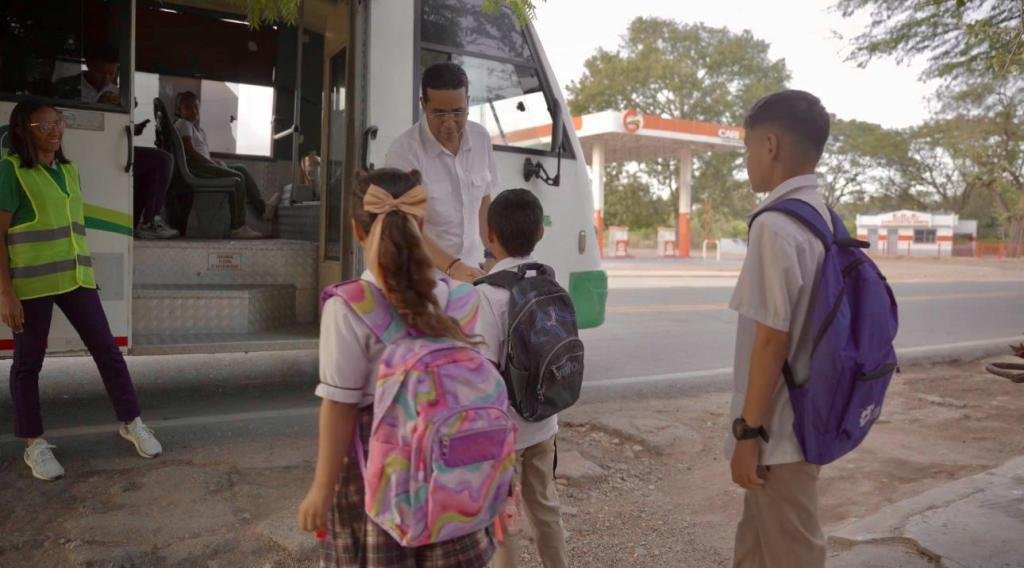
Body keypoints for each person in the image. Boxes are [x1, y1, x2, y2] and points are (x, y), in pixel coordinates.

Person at [297, 168, 495, 567]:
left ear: (357, 230)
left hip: (382, 481)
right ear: (422, 226)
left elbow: (339, 406)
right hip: (454, 477)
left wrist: (321, 488)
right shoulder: (463, 298)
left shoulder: (349, 305)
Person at [1, 100, 163, 482]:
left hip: (77, 280)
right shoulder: (11, 171)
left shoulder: (68, 170)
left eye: (59, 122)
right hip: (32, 285)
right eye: (46, 124)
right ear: (24, 130)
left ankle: (131, 422)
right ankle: (33, 443)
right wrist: (5, 294)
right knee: (28, 364)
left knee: (108, 351)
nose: (56, 130)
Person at [726, 90, 832, 567]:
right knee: (754, 548)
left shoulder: (774, 225)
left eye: (748, 148)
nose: (747, 160)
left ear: (769, 145)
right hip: (807, 411)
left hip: (778, 431)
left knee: (794, 554)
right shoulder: (821, 216)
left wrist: (748, 436)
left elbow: (771, 339)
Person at [476, 188, 569, 568]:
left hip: (504, 434)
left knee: (503, 519)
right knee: (545, 507)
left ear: (489, 235)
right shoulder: (550, 280)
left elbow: (484, 371)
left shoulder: (487, 295)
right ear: (540, 234)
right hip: (545, 423)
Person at [385, 62, 500, 282]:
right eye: (439, 113)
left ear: (467, 103)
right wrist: (452, 266)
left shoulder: (481, 138)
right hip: (423, 279)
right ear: (423, 105)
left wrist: (493, 253)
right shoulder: (403, 152)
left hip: (473, 272)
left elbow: (485, 201)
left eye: (458, 112)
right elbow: (403, 224)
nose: (450, 123)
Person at [174, 91, 281, 239]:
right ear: (179, 110)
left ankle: (263, 210)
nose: (193, 111)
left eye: (196, 107)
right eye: (188, 107)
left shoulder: (198, 129)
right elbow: (190, 152)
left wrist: (215, 162)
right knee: (237, 179)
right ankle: (238, 227)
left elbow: (202, 152)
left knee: (241, 168)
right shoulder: (183, 124)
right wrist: (212, 163)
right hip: (195, 168)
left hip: (204, 165)